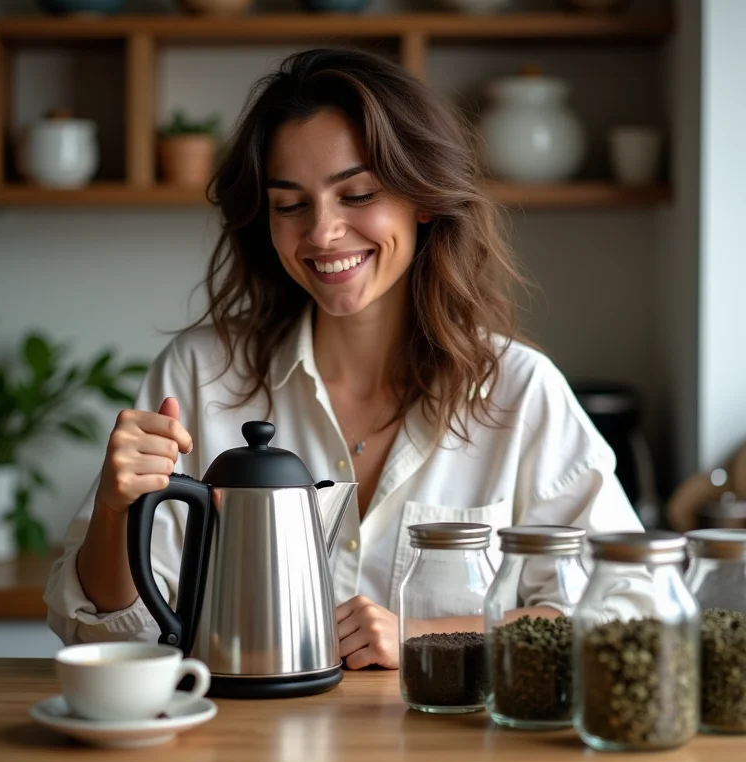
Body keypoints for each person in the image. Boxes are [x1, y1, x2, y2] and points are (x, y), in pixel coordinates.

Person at [44, 48, 643, 670]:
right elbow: (105, 642)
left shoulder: (518, 391)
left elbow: (626, 606)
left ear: (424, 198)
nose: (323, 232)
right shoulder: (199, 374)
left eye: (357, 194)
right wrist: (117, 511)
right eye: (290, 205)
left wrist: (427, 633)